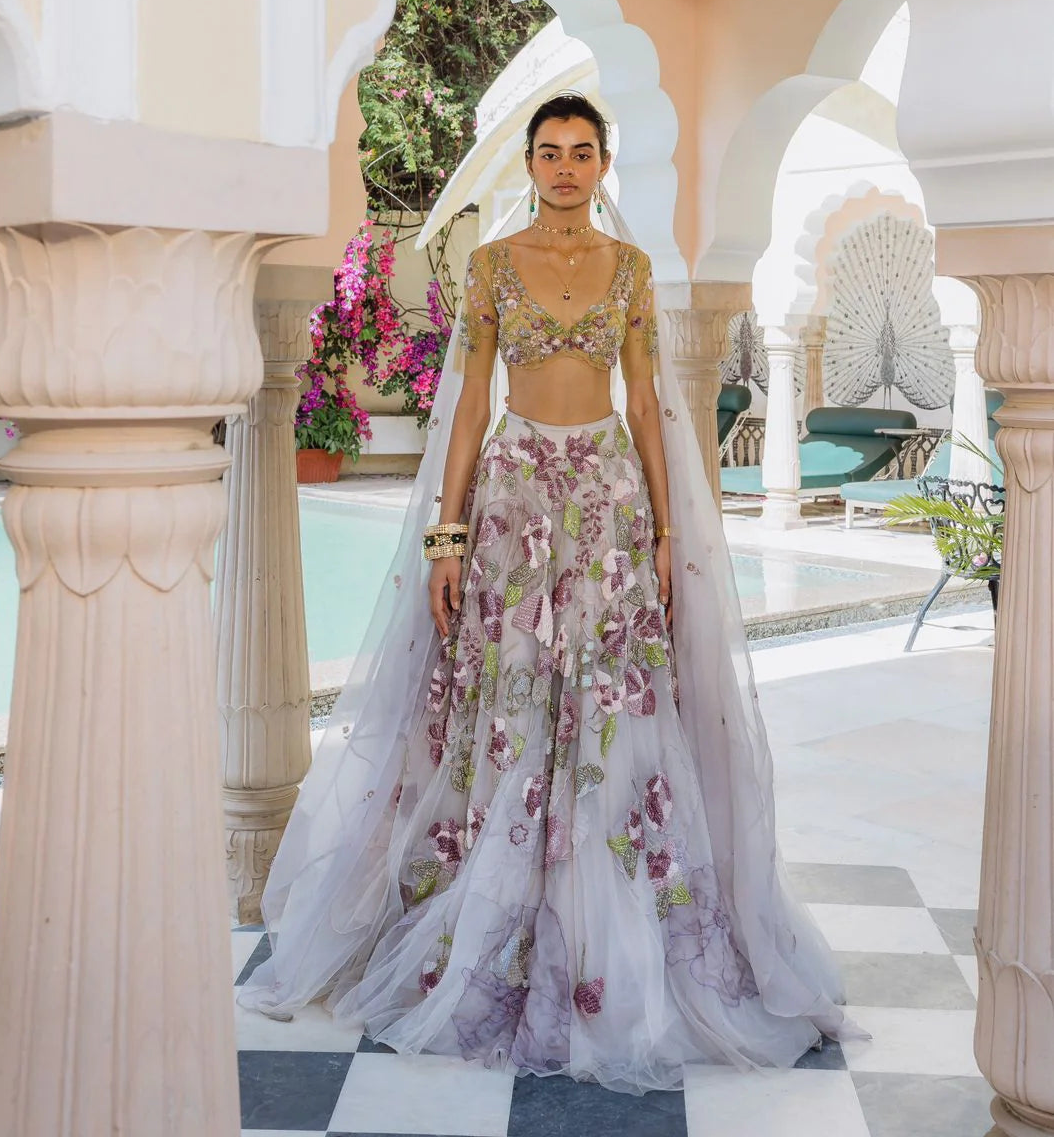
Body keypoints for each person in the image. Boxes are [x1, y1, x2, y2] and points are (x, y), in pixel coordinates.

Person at [239, 93, 851, 1093]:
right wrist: (446, 535)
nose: (565, 167)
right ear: (530, 163)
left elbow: (648, 405)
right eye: (549, 152)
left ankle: (611, 911)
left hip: (607, 495)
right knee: (512, 697)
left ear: (603, 163)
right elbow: (470, 400)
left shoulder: (632, 270)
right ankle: (498, 915)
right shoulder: (492, 265)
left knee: (615, 703)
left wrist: (662, 533)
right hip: (514, 493)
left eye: (580, 152)